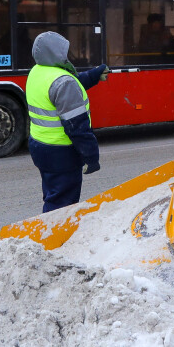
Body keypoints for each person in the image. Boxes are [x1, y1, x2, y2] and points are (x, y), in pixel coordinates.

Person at [25, 31, 109, 213]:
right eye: (63, 51)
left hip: (40, 147)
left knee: (53, 194)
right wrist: (91, 156)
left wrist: (94, 74)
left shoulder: (38, 71)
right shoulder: (63, 82)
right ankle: (53, 239)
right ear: (55, 53)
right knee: (62, 205)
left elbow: (69, 86)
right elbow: (77, 126)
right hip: (61, 153)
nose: (67, 55)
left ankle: (51, 234)